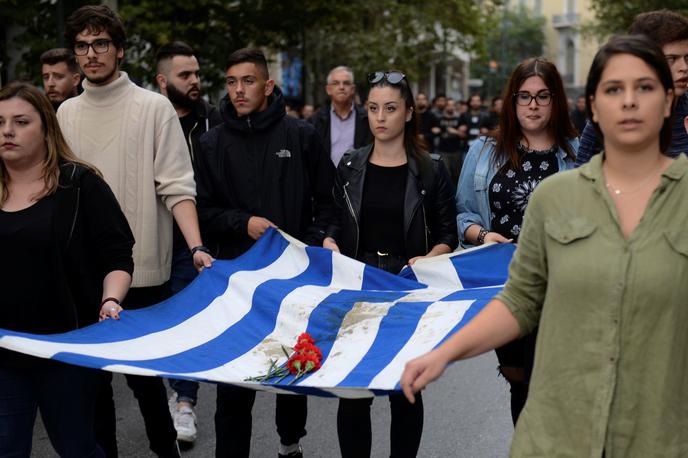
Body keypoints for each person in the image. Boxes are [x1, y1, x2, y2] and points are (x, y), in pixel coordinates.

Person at [402, 34, 687, 456]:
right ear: (593, 106)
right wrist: (445, 351)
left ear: (668, 101)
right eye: (613, 89)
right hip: (557, 435)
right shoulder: (555, 197)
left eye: (644, 87)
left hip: (659, 435)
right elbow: (520, 300)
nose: (628, 101)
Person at [57, 5, 213, 457]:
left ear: (120, 50)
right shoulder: (65, 114)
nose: (91, 54)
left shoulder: (153, 107)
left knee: (146, 383)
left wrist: (196, 245)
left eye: (100, 43)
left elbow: (177, 185)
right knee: (93, 389)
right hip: (83, 275)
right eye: (82, 46)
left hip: (145, 270)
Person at [195, 48, 336, 458]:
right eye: (232, 82)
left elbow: (327, 201)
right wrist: (244, 223)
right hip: (236, 280)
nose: (239, 90)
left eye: (248, 81)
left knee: (291, 370)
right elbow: (202, 211)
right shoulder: (210, 143)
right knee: (234, 382)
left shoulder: (301, 135)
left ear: (268, 85)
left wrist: (310, 241)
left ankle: (290, 444)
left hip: (294, 279)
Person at [323, 70, 458, 458]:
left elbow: (447, 230)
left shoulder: (432, 169)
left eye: (390, 108)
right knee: (353, 391)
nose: (380, 117)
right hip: (357, 284)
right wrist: (329, 240)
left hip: (409, 286)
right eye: (373, 108)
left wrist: (433, 256)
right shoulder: (349, 165)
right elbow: (332, 218)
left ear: (409, 112)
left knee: (406, 391)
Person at [0, 82, 134, 457]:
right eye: (0, 122)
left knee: (76, 448)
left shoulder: (80, 184)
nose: (7, 131)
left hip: (67, 349)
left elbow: (118, 255)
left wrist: (110, 299)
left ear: (46, 129)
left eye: (21, 121)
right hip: (4, 351)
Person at [455, 57, 578, 424]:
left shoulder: (577, 154)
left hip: (561, 286)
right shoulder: (483, 152)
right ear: (511, 102)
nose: (533, 105)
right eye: (524, 97)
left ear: (556, 101)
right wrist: (482, 235)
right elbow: (462, 215)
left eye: (542, 96)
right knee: (519, 382)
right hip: (505, 287)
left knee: (553, 382)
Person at [155, 40, 223, 446]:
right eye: (186, 75)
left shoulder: (213, 122)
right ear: (163, 81)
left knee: (187, 319)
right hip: (148, 238)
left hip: (194, 242)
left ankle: (185, 401)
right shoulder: (147, 119)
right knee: (158, 322)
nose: (195, 81)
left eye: (197, 73)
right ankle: (169, 391)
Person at [576, 9, 688, 165]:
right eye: (671, 59)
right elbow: (580, 173)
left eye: (687, 58)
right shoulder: (609, 113)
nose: (683, 67)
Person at [309, 65, 372, 166]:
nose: (341, 87)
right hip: (327, 179)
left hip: (358, 178)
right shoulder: (315, 120)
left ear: (352, 89)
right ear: (328, 89)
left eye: (346, 83)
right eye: (336, 83)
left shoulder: (368, 119)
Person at [437, 98, 463, 186]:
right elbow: (434, 130)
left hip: (456, 150)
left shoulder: (459, 118)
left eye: (452, 105)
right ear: (445, 106)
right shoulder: (440, 118)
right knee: (446, 174)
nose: (450, 107)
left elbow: (463, 135)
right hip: (443, 150)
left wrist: (455, 132)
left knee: (457, 175)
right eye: (448, 105)